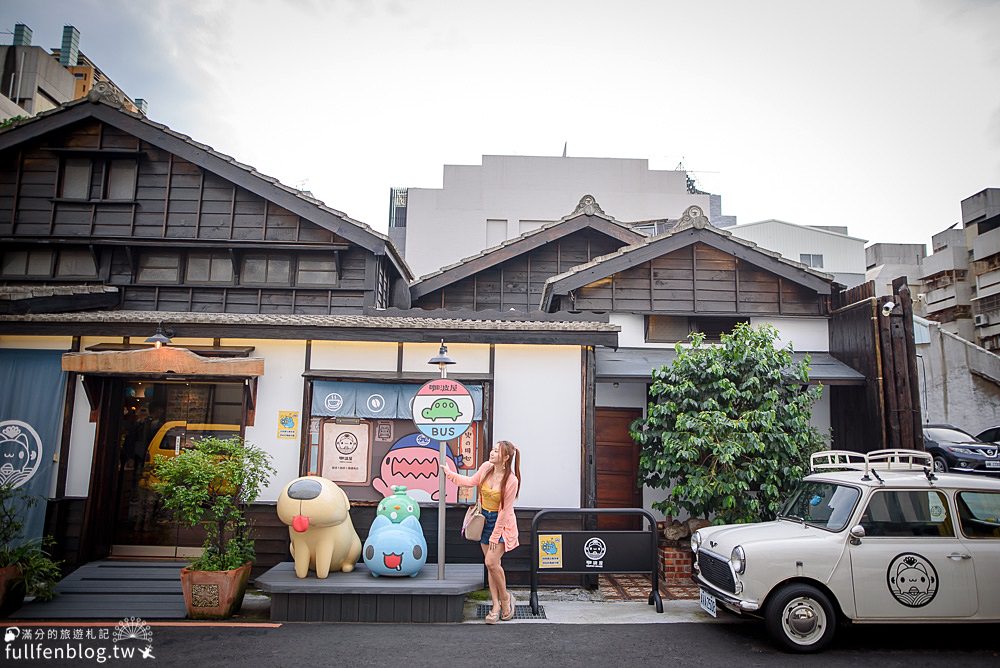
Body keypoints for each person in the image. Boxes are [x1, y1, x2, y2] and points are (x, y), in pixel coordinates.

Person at [440, 440, 521, 624]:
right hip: (484, 519)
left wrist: (495, 534)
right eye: (492, 450)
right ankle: (496, 605)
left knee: (491, 561)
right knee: (492, 566)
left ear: (506, 458)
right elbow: (470, 481)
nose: (491, 453)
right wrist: (450, 474)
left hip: (502, 524)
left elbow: (505, 511)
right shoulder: (486, 467)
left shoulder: (511, 480)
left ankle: (506, 599)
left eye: (496, 451)